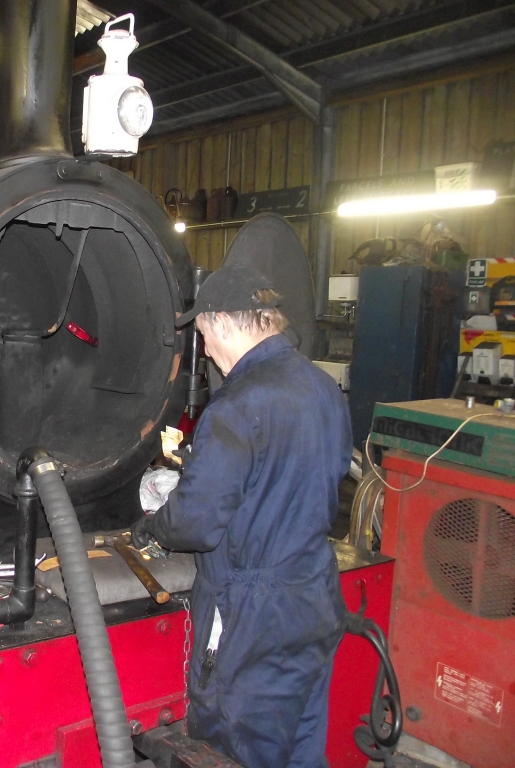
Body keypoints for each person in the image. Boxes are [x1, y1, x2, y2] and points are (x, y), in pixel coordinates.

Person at [132, 262, 352, 768]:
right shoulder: (323, 388)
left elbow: (196, 521)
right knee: (300, 748)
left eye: (204, 334)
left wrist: (153, 525)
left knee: (235, 747)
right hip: (313, 596)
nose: (206, 349)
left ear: (224, 323)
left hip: (252, 615)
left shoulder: (235, 406)